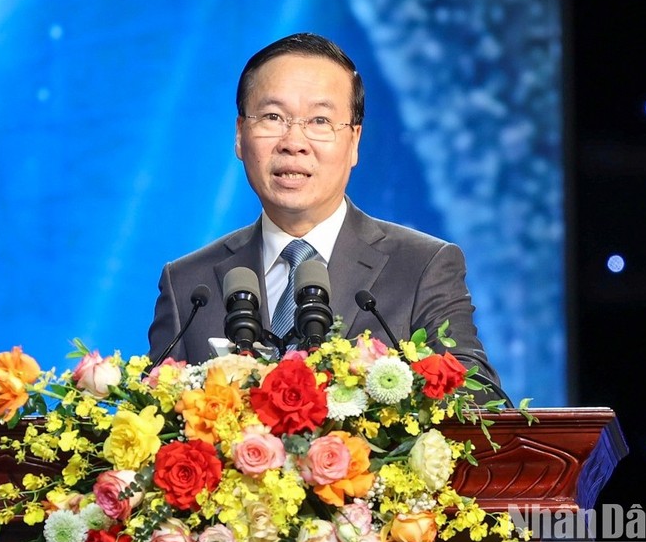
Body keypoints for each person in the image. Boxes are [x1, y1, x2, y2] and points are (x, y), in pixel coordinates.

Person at [147, 32, 500, 385]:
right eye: (272, 116)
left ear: (354, 141)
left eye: (319, 121)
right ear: (240, 134)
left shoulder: (422, 267)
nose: (294, 143)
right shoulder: (188, 286)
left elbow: (477, 401)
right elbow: (157, 422)